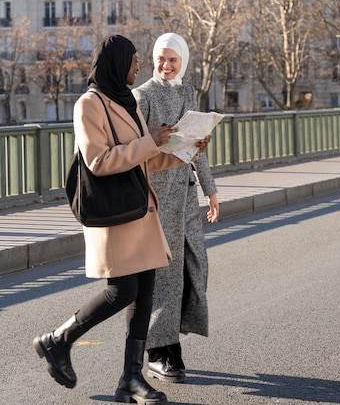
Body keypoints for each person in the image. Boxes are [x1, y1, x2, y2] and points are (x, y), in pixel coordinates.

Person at [33, 34, 210, 404]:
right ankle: (57, 339)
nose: (139, 67)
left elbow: (145, 158)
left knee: (144, 293)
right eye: (133, 62)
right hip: (114, 214)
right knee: (122, 290)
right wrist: (152, 141)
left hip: (140, 211)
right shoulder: (89, 105)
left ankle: (130, 379)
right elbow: (99, 161)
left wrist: (185, 150)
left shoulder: (126, 101)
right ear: (117, 63)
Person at [132, 32, 219, 384]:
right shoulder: (143, 95)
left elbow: (197, 148)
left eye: (173, 60)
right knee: (165, 274)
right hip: (158, 196)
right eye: (161, 59)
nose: (166, 66)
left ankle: (169, 342)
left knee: (195, 267)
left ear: (183, 61)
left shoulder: (187, 92)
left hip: (186, 195)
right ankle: (159, 352)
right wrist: (160, 140)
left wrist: (211, 191)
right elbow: (136, 148)